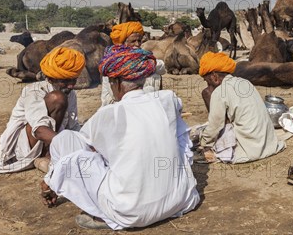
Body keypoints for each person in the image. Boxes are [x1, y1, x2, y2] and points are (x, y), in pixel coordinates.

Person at [43, 45, 199, 230]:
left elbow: (85, 148)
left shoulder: (110, 113)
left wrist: (50, 178)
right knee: (178, 136)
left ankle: (102, 215)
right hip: (179, 200)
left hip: (130, 212)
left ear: (115, 82)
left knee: (66, 141)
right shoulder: (168, 100)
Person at [0, 47, 85, 178]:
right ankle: (48, 155)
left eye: (73, 80)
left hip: (50, 141)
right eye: (65, 80)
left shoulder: (70, 93)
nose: (71, 85)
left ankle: (50, 155)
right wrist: (69, 144)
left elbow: (72, 125)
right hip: (22, 148)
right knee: (57, 98)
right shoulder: (34, 91)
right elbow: (39, 130)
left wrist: (82, 143)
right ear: (51, 79)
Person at [198, 52, 285, 164]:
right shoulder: (245, 82)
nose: (208, 86)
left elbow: (215, 126)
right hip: (268, 145)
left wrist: (204, 142)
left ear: (214, 77)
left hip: (250, 151)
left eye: (207, 81)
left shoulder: (220, 91)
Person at [100, 21, 166, 106]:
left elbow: (162, 67)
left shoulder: (144, 58)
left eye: (139, 40)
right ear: (123, 42)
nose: (137, 44)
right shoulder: (112, 63)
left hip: (144, 103)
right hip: (118, 105)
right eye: (133, 41)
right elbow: (109, 98)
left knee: (154, 74)